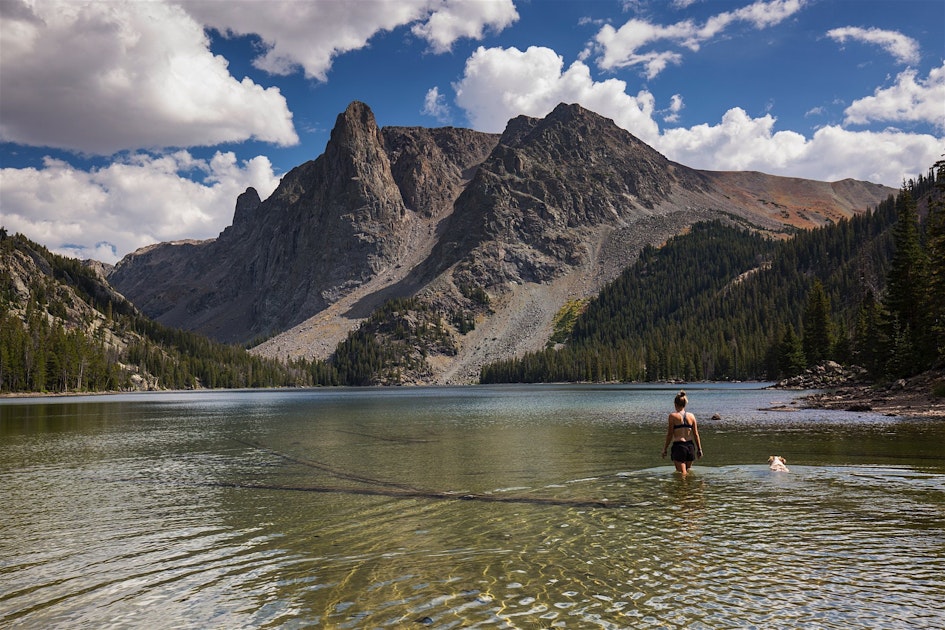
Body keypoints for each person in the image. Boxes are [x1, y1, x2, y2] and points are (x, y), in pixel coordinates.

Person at [661, 390, 703, 476]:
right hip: (690, 446)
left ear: (675, 404)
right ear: (685, 404)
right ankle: (688, 488)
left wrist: (665, 449)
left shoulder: (672, 416)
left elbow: (670, 434)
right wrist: (699, 449)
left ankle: (682, 489)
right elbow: (696, 434)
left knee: (682, 474)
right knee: (687, 472)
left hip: (679, 447)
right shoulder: (691, 416)